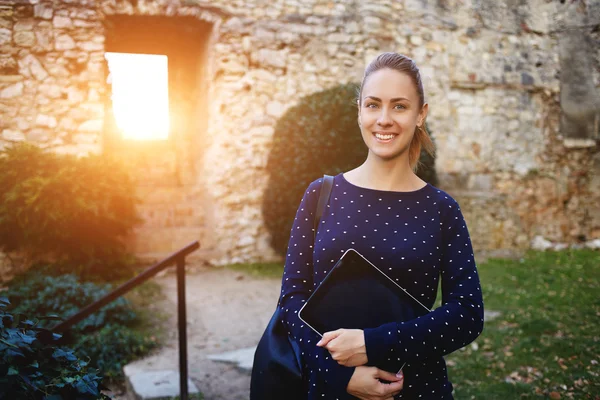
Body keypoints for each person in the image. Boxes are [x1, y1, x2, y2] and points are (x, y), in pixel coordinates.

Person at [278, 52, 484, 400]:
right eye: (373, 105)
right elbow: (291, 302)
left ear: (421, 115)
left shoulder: (442, 210)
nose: (384, 119)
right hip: (330, 390)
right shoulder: (321, 194)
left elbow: (467, 314)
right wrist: (337, 375)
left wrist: (373, 344)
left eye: (399, 107)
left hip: (417, 389)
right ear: (359, 110)